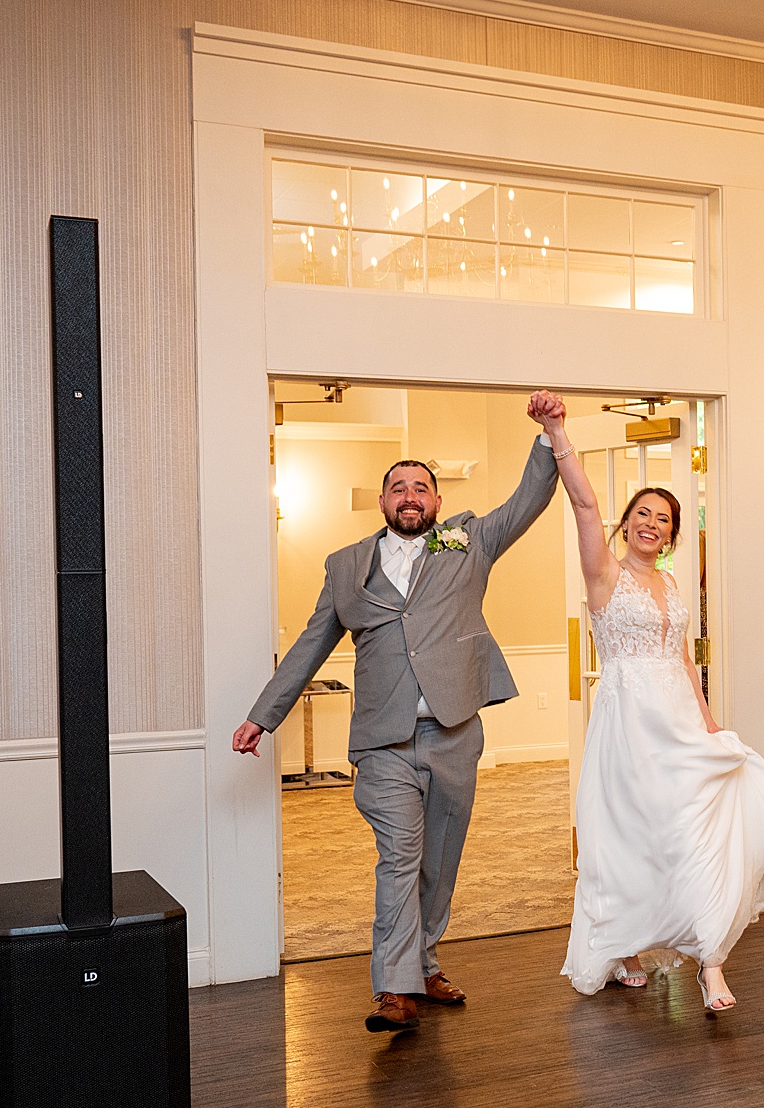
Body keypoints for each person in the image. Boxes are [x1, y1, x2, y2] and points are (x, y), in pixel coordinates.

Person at [233, 394, 562, 1033]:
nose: (409, 495)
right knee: (400, 856)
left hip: (454, 731)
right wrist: (263, 715)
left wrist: (549, 434)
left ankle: (424, 962)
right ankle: (394, 988)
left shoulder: (470, 541)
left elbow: (529, 498)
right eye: (397, 488)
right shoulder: (346, 566)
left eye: (421, 487)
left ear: (436, 502)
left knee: (440, 860)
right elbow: (310, 645)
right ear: (383, 502)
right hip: (383, 741)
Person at [538, 392, 764, 1012]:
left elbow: (684, 658)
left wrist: (710, 722)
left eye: (662, 518)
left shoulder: (671, 583)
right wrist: (558, 432)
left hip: (680, 722)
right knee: (631, 836)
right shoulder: (604, 573)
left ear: (672, 533)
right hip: (628, 722)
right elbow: (583, 502)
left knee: (693, 834)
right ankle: (625, 945)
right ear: (626, 522)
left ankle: (710, 963)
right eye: (641, 512)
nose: (650, 523)